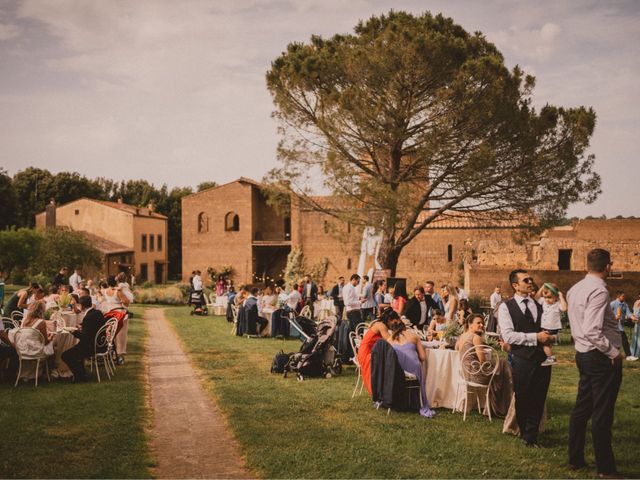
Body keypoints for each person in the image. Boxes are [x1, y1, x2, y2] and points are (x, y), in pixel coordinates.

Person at [567, 249, 623, 477]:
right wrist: (612, 352)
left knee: (582, 408)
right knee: (602, 412)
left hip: (583, 354)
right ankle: (606, 469)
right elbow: (592, 329)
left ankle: (576, 459)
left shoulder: (574, 289)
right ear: (607, 266)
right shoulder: (599, 290)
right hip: (599, 356)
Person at [498, 269, 552, 447]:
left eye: (531, 279)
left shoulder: (539, 306)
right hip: (522, 359)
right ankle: (524, 430)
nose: (530, 282)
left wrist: (550, 336)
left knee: (539, 397)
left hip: (542, 359)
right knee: (523, 397)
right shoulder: (506, 307)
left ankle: (531, 436)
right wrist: (535, 337)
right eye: (526, 280)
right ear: (515, 285)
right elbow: (508, 336)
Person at [386, 311, 436, 418]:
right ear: (406, 327)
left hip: (396, 371)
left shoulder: (389, 340)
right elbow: (423, 357)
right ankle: (417, 401)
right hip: (413, 370)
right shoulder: (414, 336)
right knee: (417, 366)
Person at [62, 295, 106, 382]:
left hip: (91, 346)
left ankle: (80, 376)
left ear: (81, 306)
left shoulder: (88, 317)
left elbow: (85, 338)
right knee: (75, 351)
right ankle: (82, 373)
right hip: (101, 343)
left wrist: (74, 332)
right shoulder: (97, 312)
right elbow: (93, 326)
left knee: (65, 355)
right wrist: (82, 325)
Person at [357, 307, 394, 395]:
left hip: (370, 350)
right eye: (393, 322)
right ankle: (379, 391)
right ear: (389, 319)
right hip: (367, 353)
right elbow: (390, 341)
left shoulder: (378, 323)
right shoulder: (381, 326)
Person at [535, 282, 567, 366]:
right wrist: (542, 287)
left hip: (552, 327)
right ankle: (549, 356)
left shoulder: (557, 304)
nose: (547, 300)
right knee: (546, 344)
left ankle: (551, 357)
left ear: (556, 297)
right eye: (545, 297)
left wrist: (561, 297)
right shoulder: (544, 302)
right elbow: (536, 297)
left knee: (544, 343)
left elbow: (564, 308)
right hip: (545, 326)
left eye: (549, 297)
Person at [100, 276, 131, 365]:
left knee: (111, 334)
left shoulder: (105, 291)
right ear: (116, 282)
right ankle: (120, 355)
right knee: (121, 335)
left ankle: (111, 353)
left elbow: (102, 299)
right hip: (119, 313)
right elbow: (127, 302)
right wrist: (122, 301)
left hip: (109, 313)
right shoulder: (118, 292)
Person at [610, 291, 634, 360]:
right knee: (622, 340)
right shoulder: (613, 304)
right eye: (623, 296)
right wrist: (615, 316)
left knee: (623, 340)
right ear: (618, 296)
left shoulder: (625, 305)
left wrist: (633, 317)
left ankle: (628, 356)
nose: (624, 297)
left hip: (621, 326)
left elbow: (628, 313)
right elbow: (607, 313)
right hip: (613, 326)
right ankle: (628, 356)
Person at [630, 293, 640, 359]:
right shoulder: (636, 302)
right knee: (635, 337)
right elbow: (634, 312)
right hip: (636, 322)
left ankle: (638, 354)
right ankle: (633, 353)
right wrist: (633, 317)